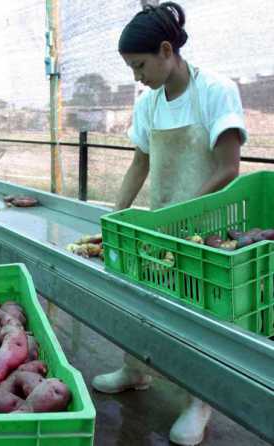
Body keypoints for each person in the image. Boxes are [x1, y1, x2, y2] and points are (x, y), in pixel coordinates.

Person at [92, 3, 247, 445]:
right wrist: (113, 213)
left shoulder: (216, 90)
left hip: (206, 223)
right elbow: (140, 164)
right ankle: (135, 370)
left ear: (166, 50)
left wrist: (178, 217)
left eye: (140, 65)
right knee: (143, 294)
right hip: (160, 222)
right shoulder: (149, 103)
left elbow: (229, 167)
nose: (136, 76)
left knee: (200, 309)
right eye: (131, 68)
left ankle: (198, 401)